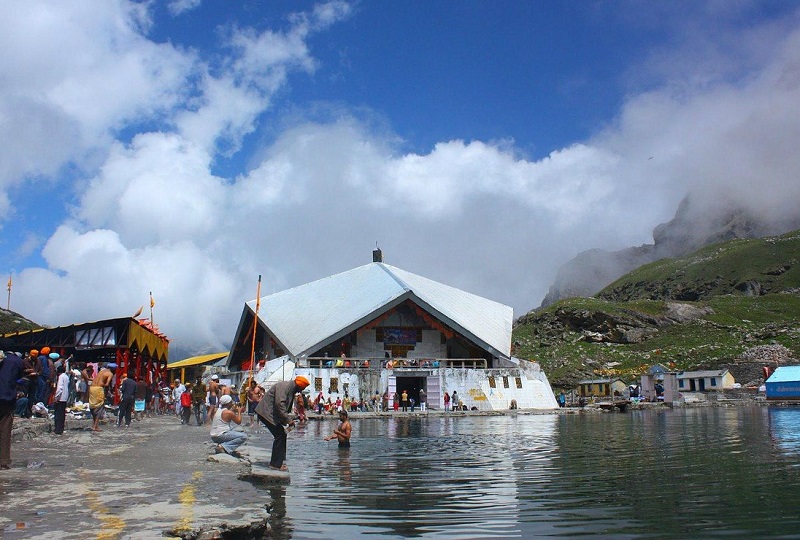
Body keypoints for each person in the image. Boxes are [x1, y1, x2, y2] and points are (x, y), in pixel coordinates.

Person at [254, 375, 310, 471]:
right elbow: (279, 404)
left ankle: (279, 462)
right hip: (266, 413)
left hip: (269, 414)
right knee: (280, 435)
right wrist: (288, 420)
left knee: (281, 435)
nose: (300, 391)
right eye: (302, 389)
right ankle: (275, 464)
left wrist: (286, 420)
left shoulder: (290, 388)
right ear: (299, 386)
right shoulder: (284, 386)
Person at [0, 351, 25, 469]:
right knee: (5, 429)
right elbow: (19, 377)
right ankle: (3, 461)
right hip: (7, 398)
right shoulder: (16, 361)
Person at [90, 363, 114, 432]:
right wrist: (106, 394)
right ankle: (95, 426)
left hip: (92, 388)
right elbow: (106, 384)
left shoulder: (101, 371)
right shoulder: (110, 374)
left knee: (93, 406)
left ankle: (94, 424)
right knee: (99, 408)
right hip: (98, 389)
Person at [53, 364, 70, 435]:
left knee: (58, 414)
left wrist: (56, 397)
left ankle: (58, 429)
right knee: (62, 414)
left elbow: (60, 388)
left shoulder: (61, 377)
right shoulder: (66, 377)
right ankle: (61, 428)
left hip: (60, 398)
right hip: (65, 397)